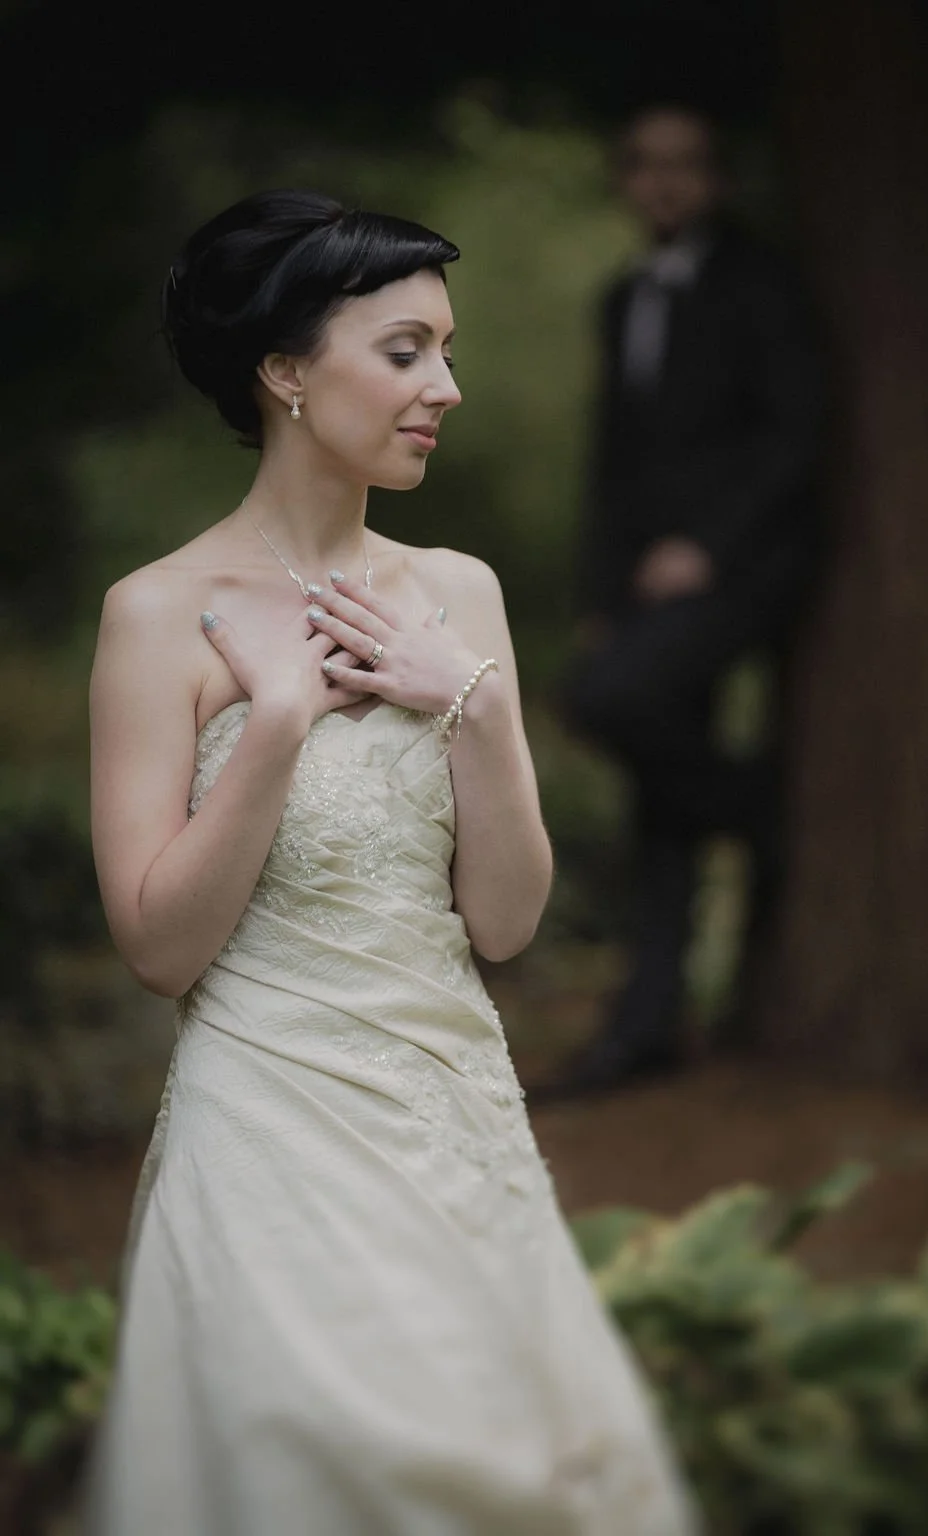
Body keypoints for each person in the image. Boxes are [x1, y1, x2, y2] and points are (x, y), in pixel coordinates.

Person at [82, 190, 696, 1535]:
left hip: (453, 1119)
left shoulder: (458, 595)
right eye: (408, 351)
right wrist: (280, 722)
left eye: (449, 352)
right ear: (286, 372)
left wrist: (467, 700)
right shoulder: (152, 617)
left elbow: (509, 920)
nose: (448, 388)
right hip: (267, 1131)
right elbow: (157, 948)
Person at [556, 105, 825, 1096]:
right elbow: (613, 458)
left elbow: (794, 434)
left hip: (745, 568)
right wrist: (599, 587)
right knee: (656, 807)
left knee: (606, 701)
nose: (664, 183)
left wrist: (708, 547)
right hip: (641, 581)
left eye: (685, 164)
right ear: (625, 179)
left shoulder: (763, 285)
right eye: (645, 165)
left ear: (716, 178)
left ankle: (766, 817)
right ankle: (645, 1026)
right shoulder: (621, 296)